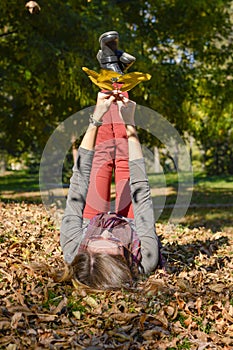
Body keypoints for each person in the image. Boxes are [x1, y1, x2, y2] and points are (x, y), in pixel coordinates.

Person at [60, 90, 161, 290]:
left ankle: (109, 81)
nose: (107, 231)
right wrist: (130, 124)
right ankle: (120, 81)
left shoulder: (73, 248)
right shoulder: (145, 257)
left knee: (102, 157)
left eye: (98, 240)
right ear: (125, 261)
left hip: (91, 221)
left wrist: (96, 116)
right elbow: (140, 186)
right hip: (133, 226)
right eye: (113, 242)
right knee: (124, 160)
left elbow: (79, 179)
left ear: (86, 249)